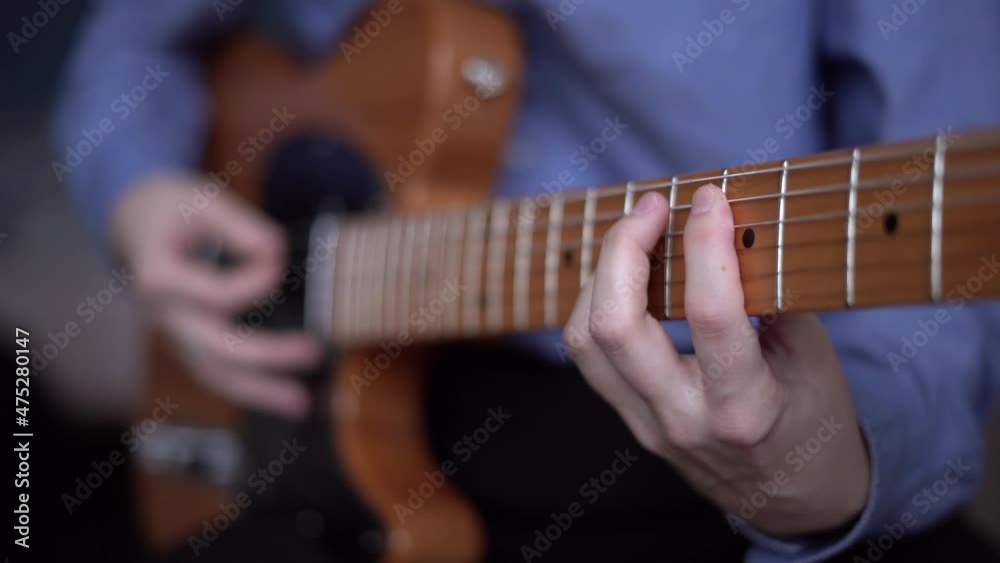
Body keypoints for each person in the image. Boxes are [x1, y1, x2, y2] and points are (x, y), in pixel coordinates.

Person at [54, 1, 1000, 561]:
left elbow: (938, 274)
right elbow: (133, 38)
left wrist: (823, 474)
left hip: (690, 450)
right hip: (296, 423)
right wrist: (135, 185)